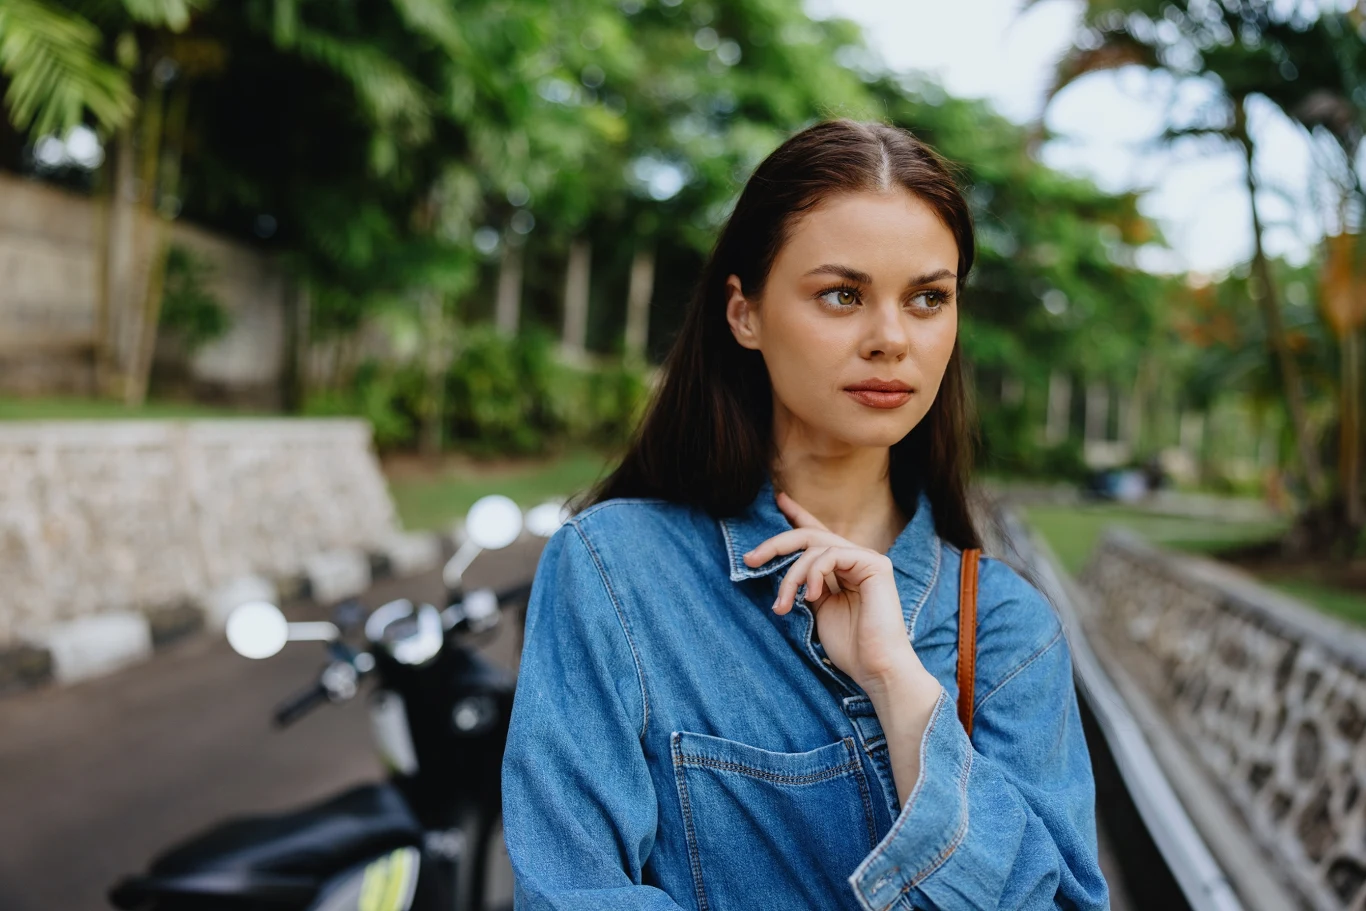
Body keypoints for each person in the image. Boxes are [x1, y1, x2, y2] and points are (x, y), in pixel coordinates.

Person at [500, 119, 1109, 911]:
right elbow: (572, 892)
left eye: (928, 298)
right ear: (744, 313)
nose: (891, 338)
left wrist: (900, 689)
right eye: (842, 294)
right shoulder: (614, 570)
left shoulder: (1009, 632)